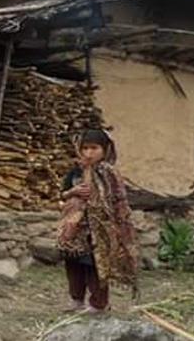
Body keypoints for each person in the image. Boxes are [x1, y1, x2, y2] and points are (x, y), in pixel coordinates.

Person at [57, 129, 138, 314]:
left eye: (94, 148)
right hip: (74, 229)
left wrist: (120, 227)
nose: (88, 153)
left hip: (100, 230)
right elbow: (60, 196)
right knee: (74, 264)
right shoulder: (75, 172)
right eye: (85, 148)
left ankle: (98, 304)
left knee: (95, 266)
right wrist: (72, 193)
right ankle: (76, 300)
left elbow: (119, 201)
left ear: (106, 150)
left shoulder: (109, 174)